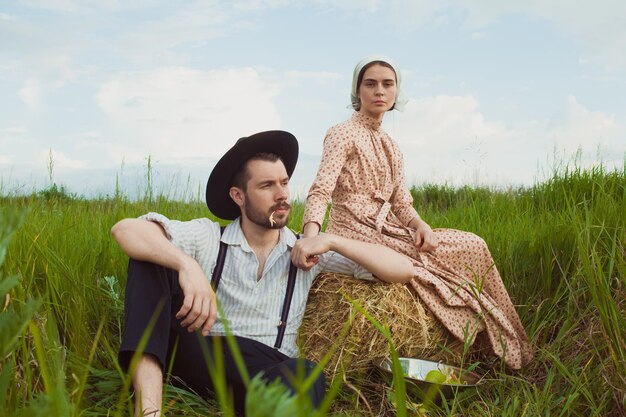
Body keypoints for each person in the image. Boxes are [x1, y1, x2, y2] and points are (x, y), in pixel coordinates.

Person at [112, 130, 414, 417]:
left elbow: (403, 268)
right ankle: (149, 409)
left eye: (284, 183)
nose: (281, 195)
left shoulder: (307, 250)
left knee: (307, 374)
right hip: (202, 357)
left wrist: (332, 240)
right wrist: (186, 265)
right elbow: (127, 229)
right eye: (267, 185)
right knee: (150, 259)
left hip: (265, 372)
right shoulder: (208, 237)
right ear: (238, 196)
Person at [297, 55, 532, 370]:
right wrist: (312, 236)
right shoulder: (342, 133)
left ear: (396, 92)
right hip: (355, 230)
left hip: (392, 227)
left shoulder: (392, 145)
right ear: (358, 91)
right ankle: (483, 344)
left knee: (472, 244)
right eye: (370, 83)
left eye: (387, 84)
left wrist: (420, 224)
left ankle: (500, 343)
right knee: (431, 271)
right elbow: (320, 189)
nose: (379, 90)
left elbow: (401, 201)